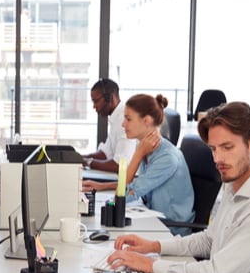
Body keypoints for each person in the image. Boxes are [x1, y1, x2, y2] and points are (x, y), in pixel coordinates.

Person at [108, 102, 250, 273]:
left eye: (227, 147)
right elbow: (210, 240)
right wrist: (155, 246)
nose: (217, 158)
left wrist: (151, 265)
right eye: (213, 149)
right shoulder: (234, 185)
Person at [83, 94, 194, 235]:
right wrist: (102, 186)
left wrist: (138, 154)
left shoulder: (167, 158)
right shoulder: (149, 149)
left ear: (146, 120)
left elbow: (121, 197)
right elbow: (138, 183)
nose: (123, 124)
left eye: (128, 119)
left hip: (170, 230)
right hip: (154, 221)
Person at [84, 78, 137, 172]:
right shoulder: (116, 117)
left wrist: (89, 162)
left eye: (96, 101)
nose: (94, 106)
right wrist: (81, 158)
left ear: (110, 98)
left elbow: (119, 165)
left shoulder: (124, 119)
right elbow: (106, 153)